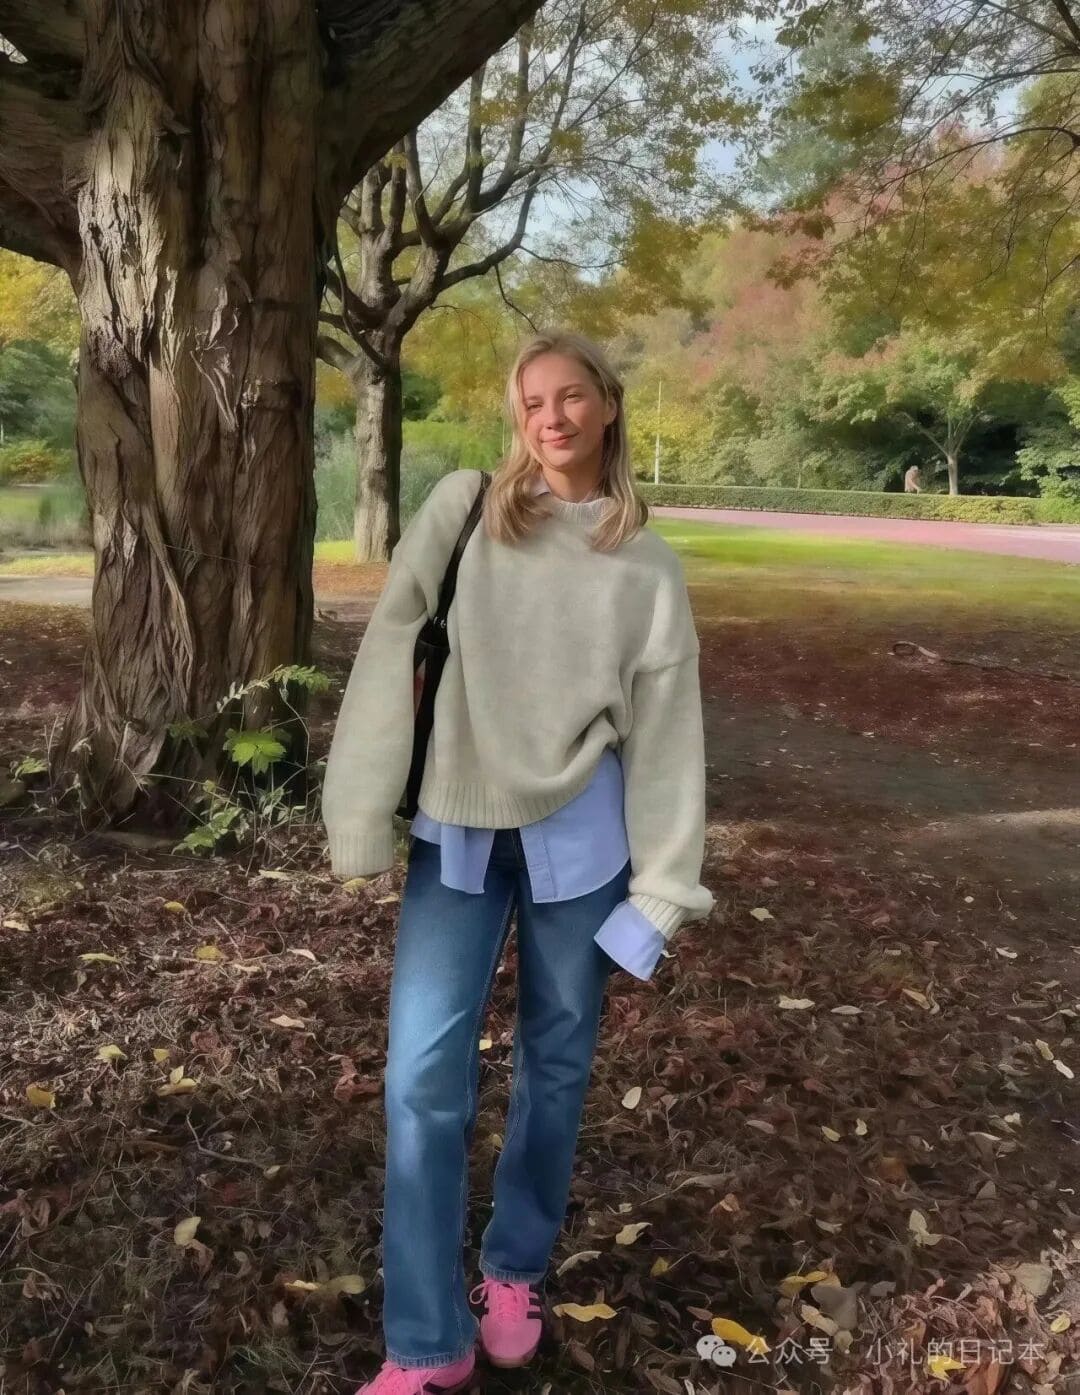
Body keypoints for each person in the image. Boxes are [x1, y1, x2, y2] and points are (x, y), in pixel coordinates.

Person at [321, 329, 714, 1394]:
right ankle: (426, 1341)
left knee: (557, 1067)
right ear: (518, 416)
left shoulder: (646, 565)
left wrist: (664, 887)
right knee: (419, 1080)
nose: (553, 416)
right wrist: (357, 808)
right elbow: (391, 648)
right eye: (533, 399)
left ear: (608, 407)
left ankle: (514, 1269)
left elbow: (667, 735)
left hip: (582, 846)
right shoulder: (465, 511)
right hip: (456, 833)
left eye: (572, 395)